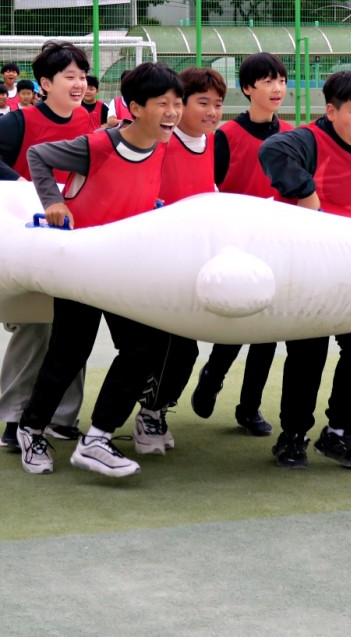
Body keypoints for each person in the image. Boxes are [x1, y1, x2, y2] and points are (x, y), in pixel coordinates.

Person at [12, 62, 181, 477]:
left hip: (126, 268)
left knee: (141, 350)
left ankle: (98, 438)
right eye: (164, 104)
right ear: (136, 107)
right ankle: (30, 428)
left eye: (177, 103)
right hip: (82, 265)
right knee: (69, 355)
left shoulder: (162, 145)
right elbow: (38, 156)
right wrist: (53, 200)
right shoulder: (98, 145)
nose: (173, 112)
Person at [0, 42, 95, 452]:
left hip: (75, 235)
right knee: (34, 330)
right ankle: (15, 416)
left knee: (75, 329)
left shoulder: (88, 118)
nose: (78, 84)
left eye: (82, 77)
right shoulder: (23, 120)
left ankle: (62, 418)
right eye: (69, 77)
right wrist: (16, 183)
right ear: (45, 83)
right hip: (29, 238)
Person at [259, 70, 351, 470]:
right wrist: (307, 194)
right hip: (312, 269)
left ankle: (340, 431)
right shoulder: (311, 139)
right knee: (308, 351)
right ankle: (293, 434)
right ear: (330, 111)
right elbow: (272, 151)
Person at [189, 52, 294, 437]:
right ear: (248, 89)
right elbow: (210, 189)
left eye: (282, 80)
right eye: (268, 81)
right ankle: (213, 375)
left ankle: (249, 408)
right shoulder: (226, 136)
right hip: (235, 243)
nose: (277, 88)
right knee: (236, 321)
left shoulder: (292, 135)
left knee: (268, 331)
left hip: (278, 243)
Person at [133, 67, 226, 456]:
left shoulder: (212, 143)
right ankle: (147, 414)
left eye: (218, 104)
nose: (212, 112)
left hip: (196, 263)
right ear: (177, 105)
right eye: (202, 102)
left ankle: (155, 409)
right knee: (169, 347)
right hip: (157, 263)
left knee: (183, 348)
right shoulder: (159, 144)